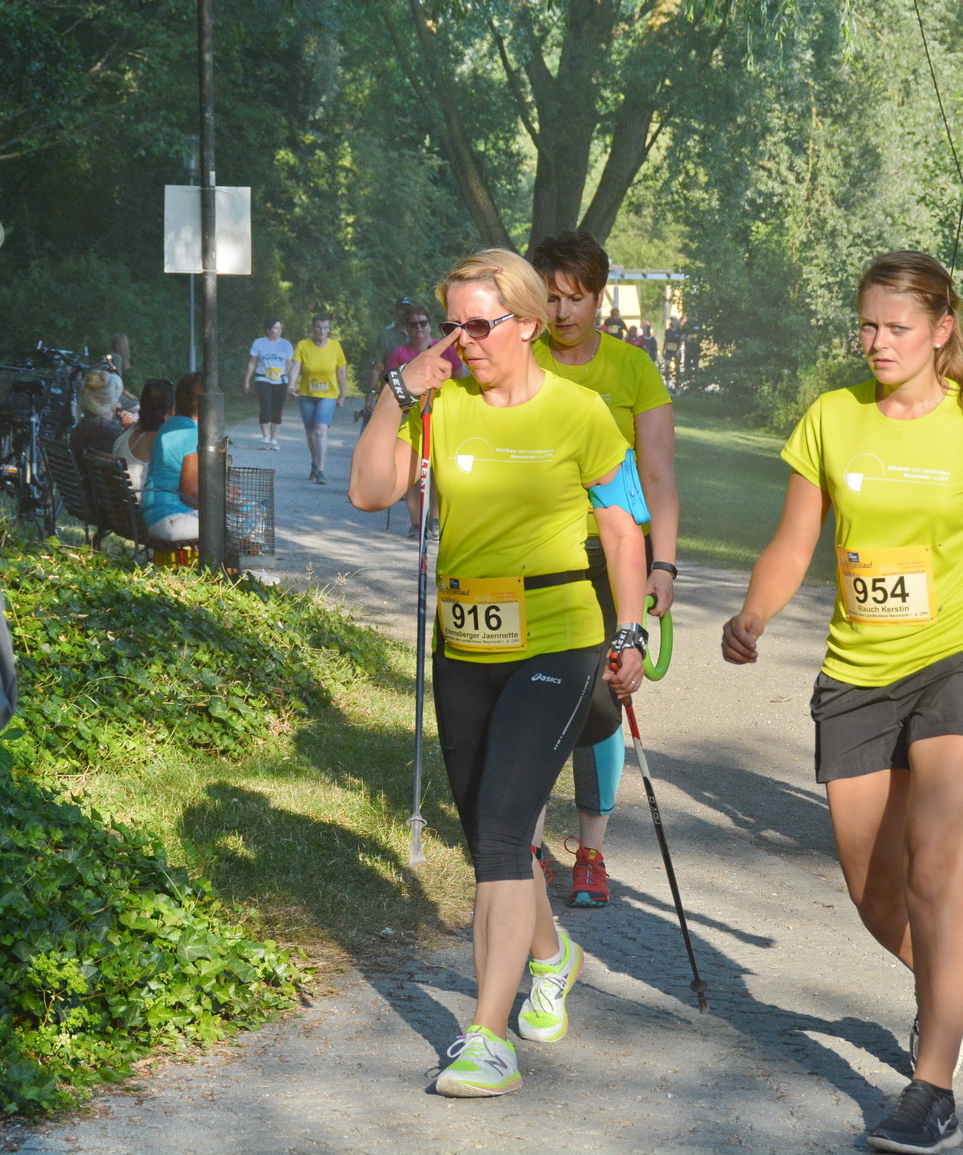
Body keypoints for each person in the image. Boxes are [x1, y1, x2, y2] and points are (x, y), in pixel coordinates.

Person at [720, 251, 963, 1154]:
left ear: (942, 330)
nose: (877, 342)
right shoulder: (833, 420)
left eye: (897, 327)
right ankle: (944, 999)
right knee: (878, 896)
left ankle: (933, 1083)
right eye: (868, 325)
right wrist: (754, 612)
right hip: (857, 672)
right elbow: (796, 540)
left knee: (933, 871)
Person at [349, 248, 648, 1099]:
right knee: (496, 831)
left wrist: (628, 627)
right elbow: (371, 493)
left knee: (500, 836)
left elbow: (623, 532)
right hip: (465, 644)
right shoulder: (440, 408)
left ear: (526, 324)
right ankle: (553, 957)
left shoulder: (581, 411)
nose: (462, 340)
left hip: (557, 639)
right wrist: (400, 392)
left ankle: (486, 1035)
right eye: (453, 323)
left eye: (479, 324)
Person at [530, 230, 679, 909]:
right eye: (551, 298)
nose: (562, 313)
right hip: (533, 549)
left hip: (610, 551)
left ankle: (591, 851)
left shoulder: (632, 370)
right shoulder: (521, 359)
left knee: (600, 696)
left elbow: (658, 475)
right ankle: (526, 841)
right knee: (528, 694)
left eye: (577, 298)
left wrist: (664, 563)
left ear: (598, 297)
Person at [386, 303, 462, 537]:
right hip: (412, 418)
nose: (418, 328)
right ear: (406, 329)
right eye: (413, 324)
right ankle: (416, 523)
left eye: (423, 323)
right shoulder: (400, 353)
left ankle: (435, 521)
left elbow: (460, 378)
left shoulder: (444, 349)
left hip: (442, 417)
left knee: (439, 472)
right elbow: (391, 387)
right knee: (412, 473)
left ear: (430, 326)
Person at [288, 314, 349, 484]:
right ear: (312, 328)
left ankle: (321, 470)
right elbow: (295, 368)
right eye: (318, 328)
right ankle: (314, 463)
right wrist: (291, 386)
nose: (321, 331)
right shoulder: (303, 345)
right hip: (307, 395)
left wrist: (342, 394)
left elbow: (341, 372)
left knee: (321, 430)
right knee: (310, 433)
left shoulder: (335, 347)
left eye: (325, 328)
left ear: (329, 329)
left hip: (328, 395)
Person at [144, 372, 203, 542]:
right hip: (172, 519)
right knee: (242, 521)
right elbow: (191, 494)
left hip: (155, 515)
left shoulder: (169, 425)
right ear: (199, 402)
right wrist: (224, 503)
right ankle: (253, 569)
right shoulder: (191, 433)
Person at [112, 378, 174, 494]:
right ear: (171, 411)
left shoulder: (129, 432)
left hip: (124, 505)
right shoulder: (160, 441)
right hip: (144, 508)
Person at [362, 296, 414, 429]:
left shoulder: (420, 335)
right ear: (397, 311)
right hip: (389, 391)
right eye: (402, 309)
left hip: (415, 392)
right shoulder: (386, 336)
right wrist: (369, 397)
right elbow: (377, 368)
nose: (405, 312)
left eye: (408, 309)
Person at [243, 319, 292, 448]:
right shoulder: (259, 343)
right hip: (263, 379)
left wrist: (292, 383)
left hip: (281, 380)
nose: (279, 331)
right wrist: (247, 381)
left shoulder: (286, 345)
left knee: (277, 409)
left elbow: (290, 364)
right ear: (268, 330)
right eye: (276, 328)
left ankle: (274, 438)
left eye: (280, 328)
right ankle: (265, 437)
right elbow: (252, 362)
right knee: (265, 407)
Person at [69, 367, 125, 458]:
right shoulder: (112, 433)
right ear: (111, 403)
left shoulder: (81, 426)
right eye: (118, 398)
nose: (120, 405)